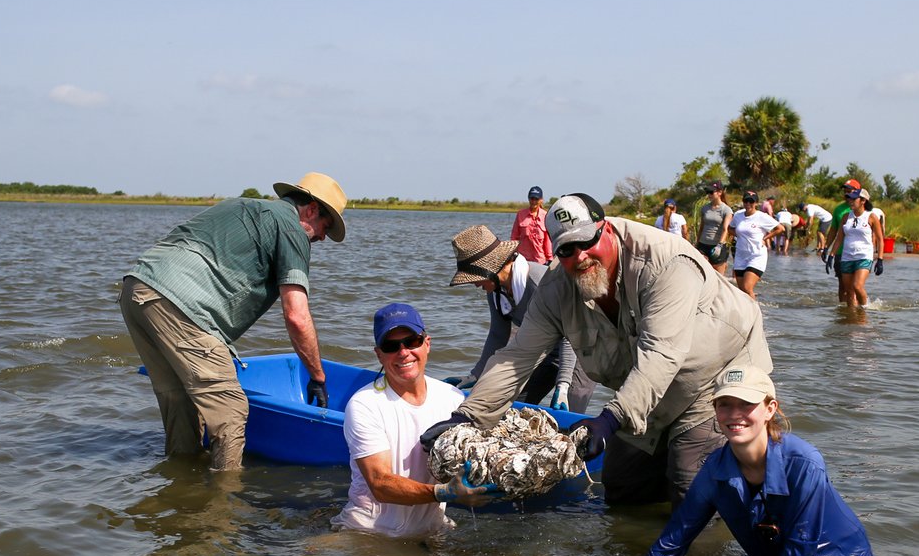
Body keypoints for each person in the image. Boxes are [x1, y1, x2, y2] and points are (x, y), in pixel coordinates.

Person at [421, 193, 774, 509]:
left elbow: (661, 354)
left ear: (606, 230)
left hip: (715, 378)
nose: (580, 256)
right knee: (621, 488)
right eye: (566, 250)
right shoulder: (556, 287)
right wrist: (466, 418)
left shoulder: (665, 262)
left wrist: (608, 419)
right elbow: (517, 356)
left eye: (586, 241)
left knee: (689, 489)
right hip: (648, 385)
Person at [119, 172, 346, 471]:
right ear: (312, 210)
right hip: (181, 305)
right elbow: (296, 315)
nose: (321, 238)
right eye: (324, 228)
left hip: (137, 290)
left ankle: (179, 485)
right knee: (231, 409)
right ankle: (223, 506)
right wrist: (317, 377)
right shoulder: (292, 229)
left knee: (181, 403)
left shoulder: (243, 206)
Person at [645, 362, 873, 556]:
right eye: (725, 404)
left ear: (769, 409)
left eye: (746, 403)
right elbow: (671, 543)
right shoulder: (713, 469)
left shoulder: (804, 463)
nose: (735, 414)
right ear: (715, 410)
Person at [331, 303, 503, 538]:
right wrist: (445, 493)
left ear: (427, 344)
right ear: (379, 354)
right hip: (370, 531)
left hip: (432, 527)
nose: (403, 353)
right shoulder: (365, 405)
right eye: (391, 346)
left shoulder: (452, 398)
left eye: (412, 341)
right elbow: (380, 483)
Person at [444, 225, 594, 412]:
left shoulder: (540, 282)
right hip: (545, 349)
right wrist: (475, 375)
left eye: (474, 277)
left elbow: (569, 337)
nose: (474, 284)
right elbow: (497, 336)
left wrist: (563, 384)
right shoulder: (496, 291)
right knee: (516, 406)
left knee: (570, 409)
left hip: (582, 348)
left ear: (489, 268)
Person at [825, 187, 885, 308]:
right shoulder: (846, 217)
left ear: (863, 201)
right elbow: (839, 238)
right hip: (847, 257)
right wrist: (831, 255)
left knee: (857, 286)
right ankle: (852, 319)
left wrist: (880, 259)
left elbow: (880, 239)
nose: (850, 201)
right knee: (849, 292)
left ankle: (865, 310)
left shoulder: (871, 217)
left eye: (853, 199)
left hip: (864, 257)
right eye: (849, 199)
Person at [728, 191, 784, 299]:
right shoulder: (738, 215)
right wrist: (738, 235)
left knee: (747, 288)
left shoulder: (762, 217)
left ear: (756, 203)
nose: (748, 204)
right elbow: (730, 228)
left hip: (756, 256)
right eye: (746, 201)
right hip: (740, 256)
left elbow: (780, 228)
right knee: (741, 292)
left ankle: (755, 313)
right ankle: (745, 312)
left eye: (751, 201)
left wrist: (765, 238)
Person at [822, 178, 862, 303]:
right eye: (845, 191)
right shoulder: (839, 209)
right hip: (841, 252)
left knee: (856, 285)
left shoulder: (862, 209)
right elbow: (833, 230)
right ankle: (845, 311)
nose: (846, 194)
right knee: (842, 285)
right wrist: (826, 248)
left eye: (849, 191)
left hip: (858, 252)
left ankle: (858, 311)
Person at [694, 180, 734, 273]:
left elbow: (725, 229)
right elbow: (701, 228)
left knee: (719, 277)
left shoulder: (726, 210)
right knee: (702, 273)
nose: (709, 195)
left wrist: (719, 245)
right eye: (708, 192)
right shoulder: (705, 208)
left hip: (717, 246)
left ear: (720, 192)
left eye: (711, 192)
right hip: (703, 245)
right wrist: (697, 243)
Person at [510, 185, 552, 264]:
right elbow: (514, 236)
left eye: (536, 199)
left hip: (540, 260)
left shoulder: (546, 216)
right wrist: (513, 253)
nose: (533, 201)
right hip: (522, 260)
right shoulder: (520, 214)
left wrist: (549, 258)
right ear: (529, 199)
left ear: (541, 200)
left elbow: (548, 240)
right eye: (532, 198)